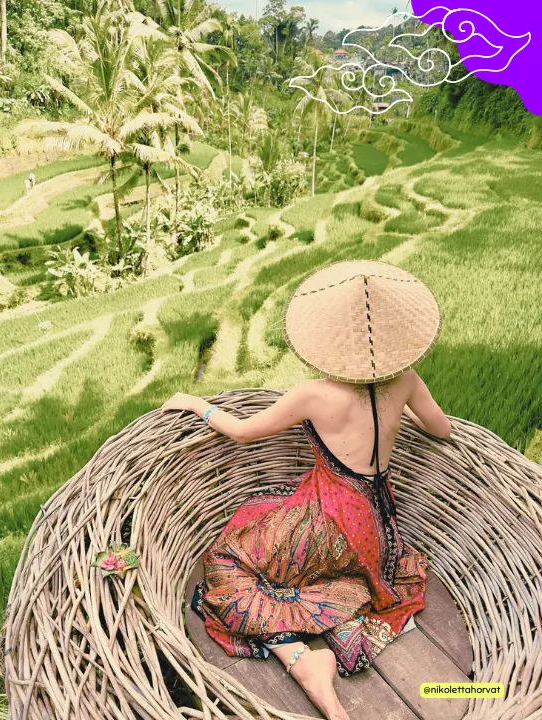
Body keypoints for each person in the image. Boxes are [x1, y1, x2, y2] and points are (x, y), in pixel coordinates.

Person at [160, 260, 452, 720]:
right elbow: (442, 429)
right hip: (379, 533)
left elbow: (240, 432)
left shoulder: (313, 394)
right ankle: (320, 652)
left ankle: (300, 660)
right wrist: (402, 413)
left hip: (328, 524)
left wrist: (199, 404)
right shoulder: (407, 380)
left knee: (226, 560)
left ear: (331, 343)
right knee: (268, 526)